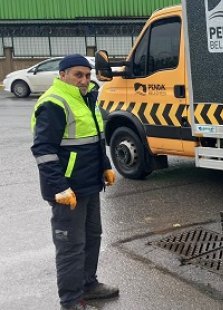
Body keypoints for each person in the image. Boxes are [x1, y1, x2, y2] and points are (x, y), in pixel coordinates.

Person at [31, 54, 119, 310]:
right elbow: (43, 150)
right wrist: (59, 187)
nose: (83, 79)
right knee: (70, 246)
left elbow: (94, 138)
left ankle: (88, 285)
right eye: (77, 74)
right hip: (66, 190)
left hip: (90, 183)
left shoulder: (88, 98)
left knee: (92, 237)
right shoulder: (54, 103)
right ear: (63, 75)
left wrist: (105, 166)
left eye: (86, 74)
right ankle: (70, 301)